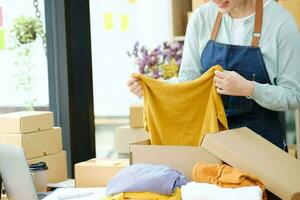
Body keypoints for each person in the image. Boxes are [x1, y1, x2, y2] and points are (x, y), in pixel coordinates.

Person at [127, 0, 300, 152]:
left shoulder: (280, 22)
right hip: (211, 142)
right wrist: (153, 89)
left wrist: (250, 89)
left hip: (261, 142)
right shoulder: (201, 18)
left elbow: (294, 96)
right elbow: (188, 82)